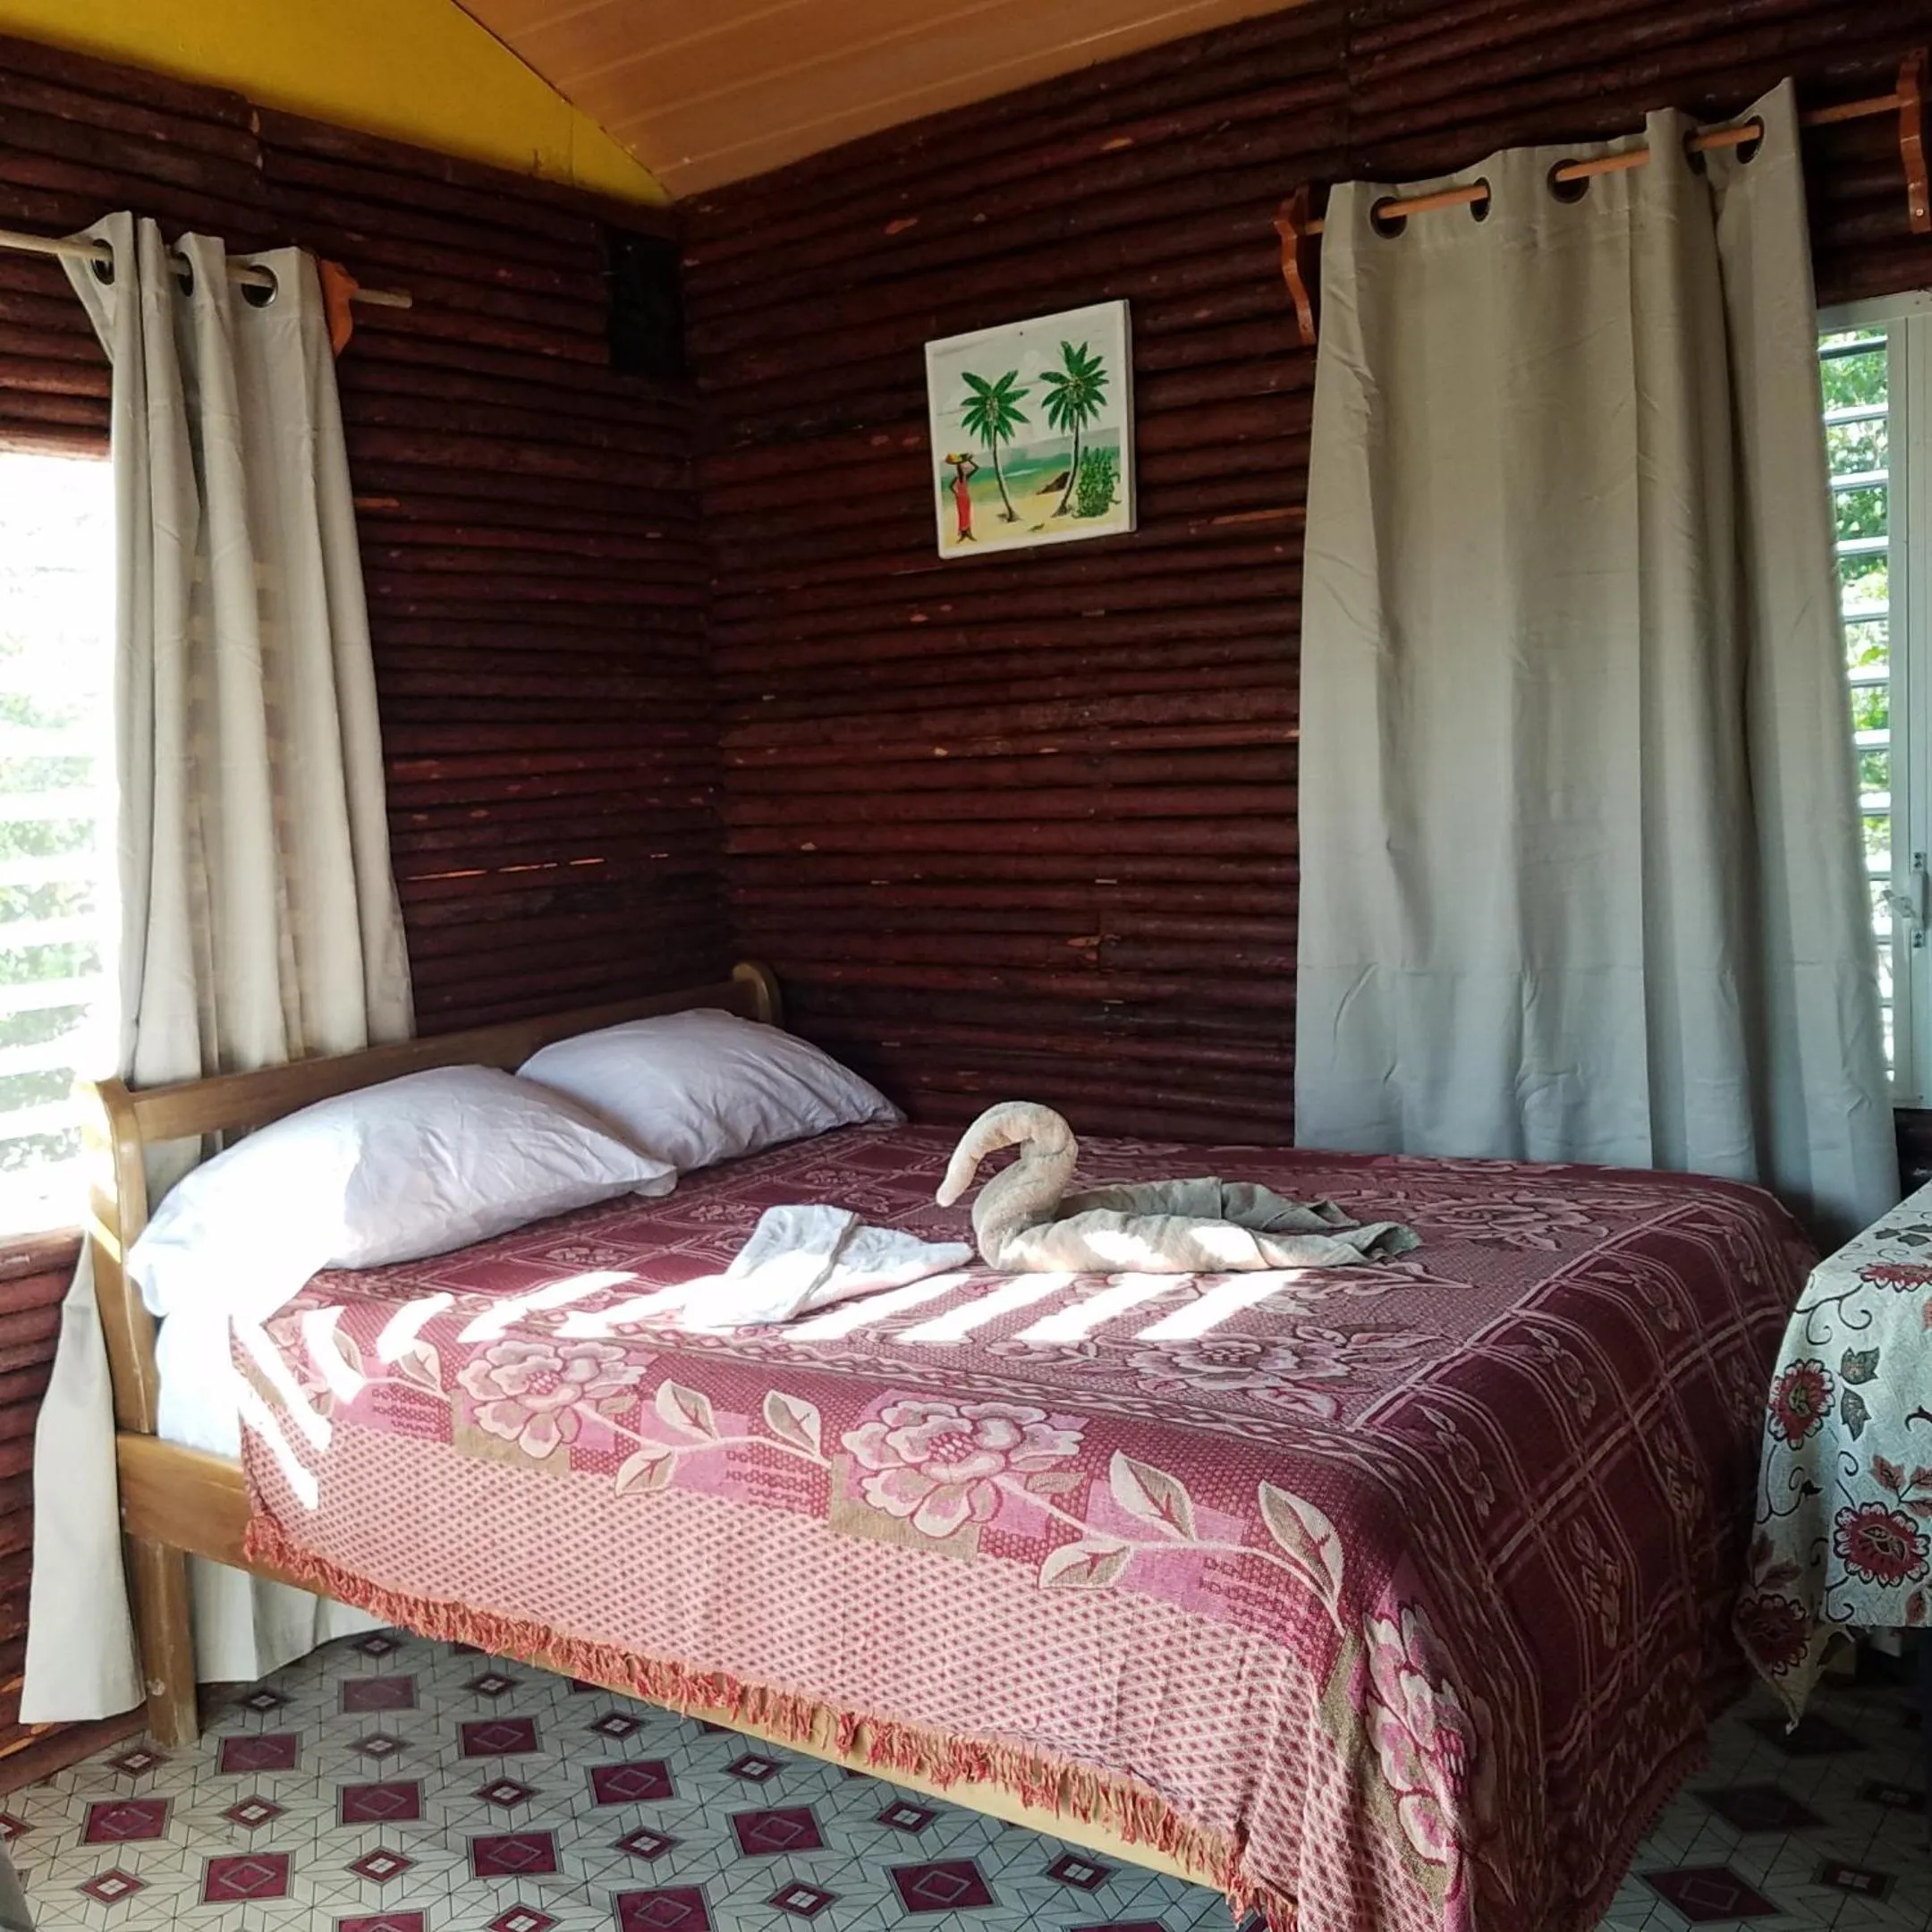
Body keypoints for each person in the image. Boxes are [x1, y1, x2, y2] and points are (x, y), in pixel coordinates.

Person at [945, 451, 979, 542]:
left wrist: (969, 460)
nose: (962, 470)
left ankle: (967, 533)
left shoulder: (962, 477)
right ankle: (965, 533)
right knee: (964, 515)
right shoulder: (962, 477)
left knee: (965, 515)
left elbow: (977, 468)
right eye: (961, 469)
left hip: (962, 498)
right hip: (962, 498)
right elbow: (950, 486)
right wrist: (969, 460)